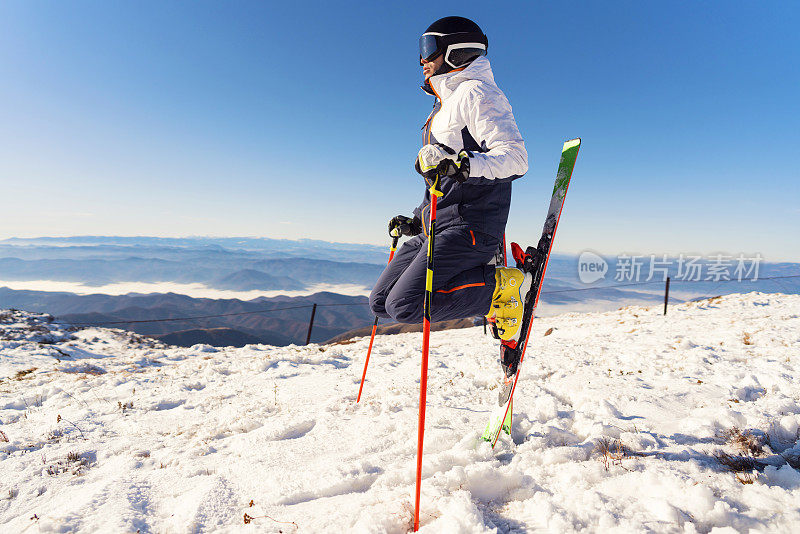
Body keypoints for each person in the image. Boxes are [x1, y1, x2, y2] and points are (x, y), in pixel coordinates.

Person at [369, 16, 530, 346]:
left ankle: (503, 289)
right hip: (436, 224)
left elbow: (516, 158)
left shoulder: (478, 93)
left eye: (429, 48)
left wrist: (463, 165)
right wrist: (416, 219)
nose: (422, 60)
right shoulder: (442, 107)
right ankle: (490, 288)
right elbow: (441, 179)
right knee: (380, 302)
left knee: (405, 305)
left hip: (470, 226)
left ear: (458, 50)